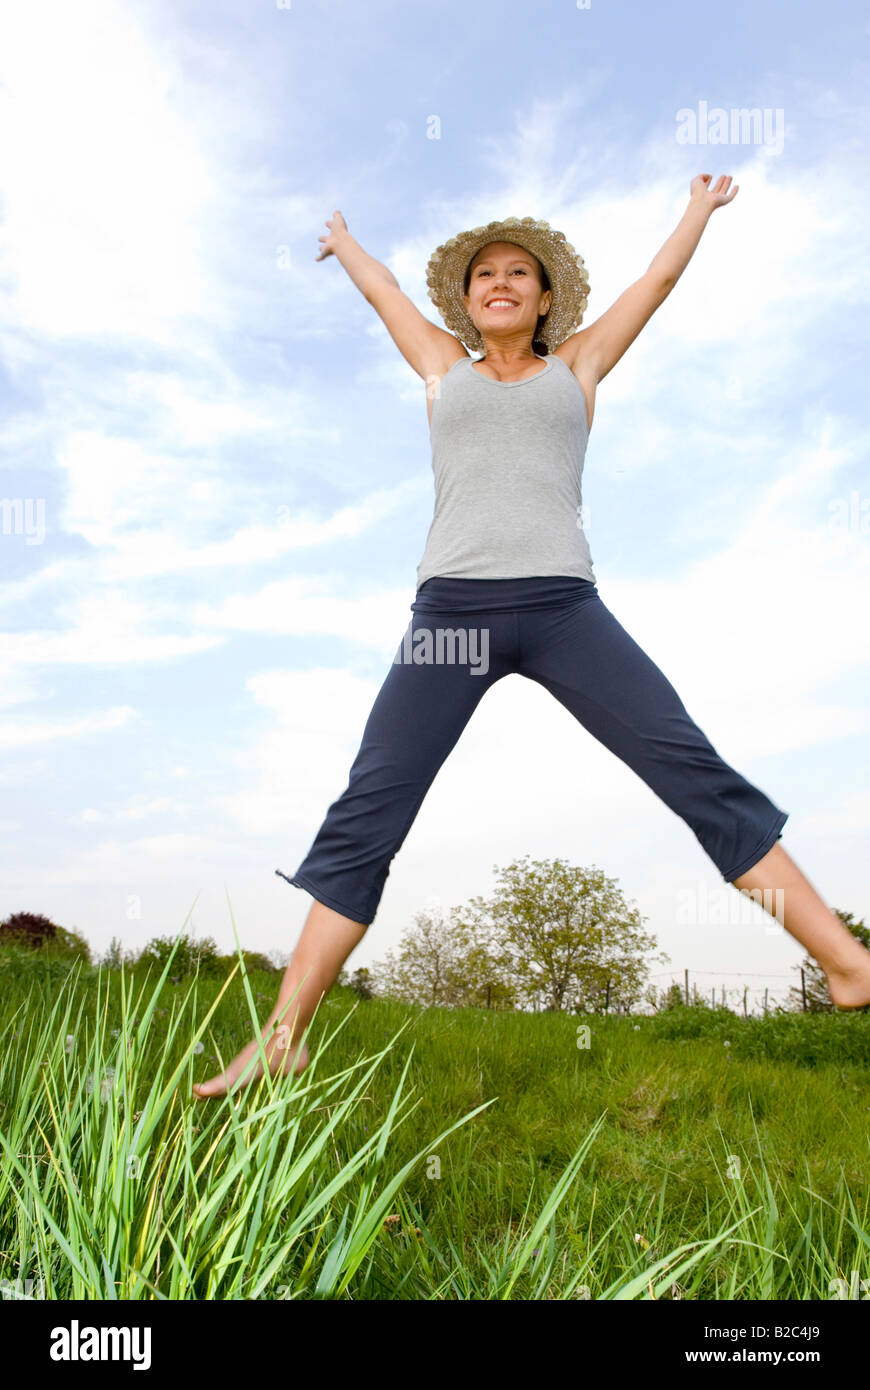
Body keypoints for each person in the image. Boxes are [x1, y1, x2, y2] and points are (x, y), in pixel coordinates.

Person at [193, 179, 870, 1100]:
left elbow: (655, 285)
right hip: (451, 618)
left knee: (689, 765)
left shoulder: (579, 368)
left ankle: (846, 964)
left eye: (520, 272)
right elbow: (387, 291)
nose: (500, 282)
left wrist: (696, 214)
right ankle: (283, 1038)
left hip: (563, 610)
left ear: (546, 299)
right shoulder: (440, 366)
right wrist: (348, 245)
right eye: (484, 276)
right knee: (370, 806)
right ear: (467, 304)